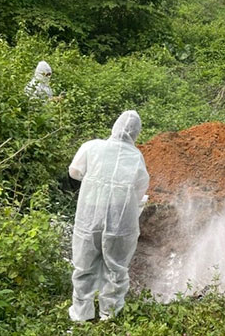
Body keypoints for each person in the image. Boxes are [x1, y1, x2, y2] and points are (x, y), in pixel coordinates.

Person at [68, 110, 150, 322]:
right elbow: (140, 191)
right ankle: (109, 314)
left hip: (89, 216)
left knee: (84, 264)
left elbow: (74, 172)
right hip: (119, 220)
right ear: (136, 133)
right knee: (115, 267)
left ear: (115, 126)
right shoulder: (135, 157)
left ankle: (81, 314)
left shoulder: (92, 146)